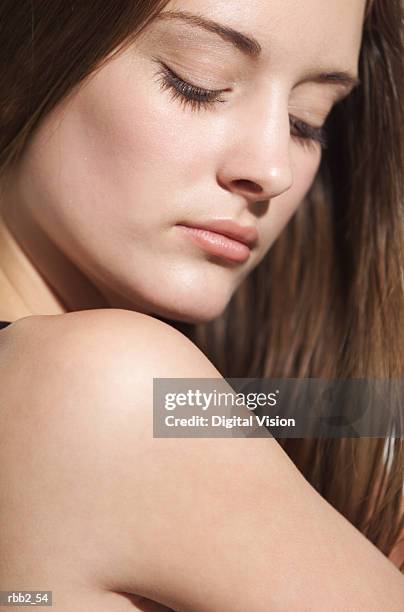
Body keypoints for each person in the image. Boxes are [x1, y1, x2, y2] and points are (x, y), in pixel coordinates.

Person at [0, 0, 403, 610]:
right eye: (198, 82)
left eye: (306, 121)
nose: (272, 171)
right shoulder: (106, 383)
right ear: (26, 48)